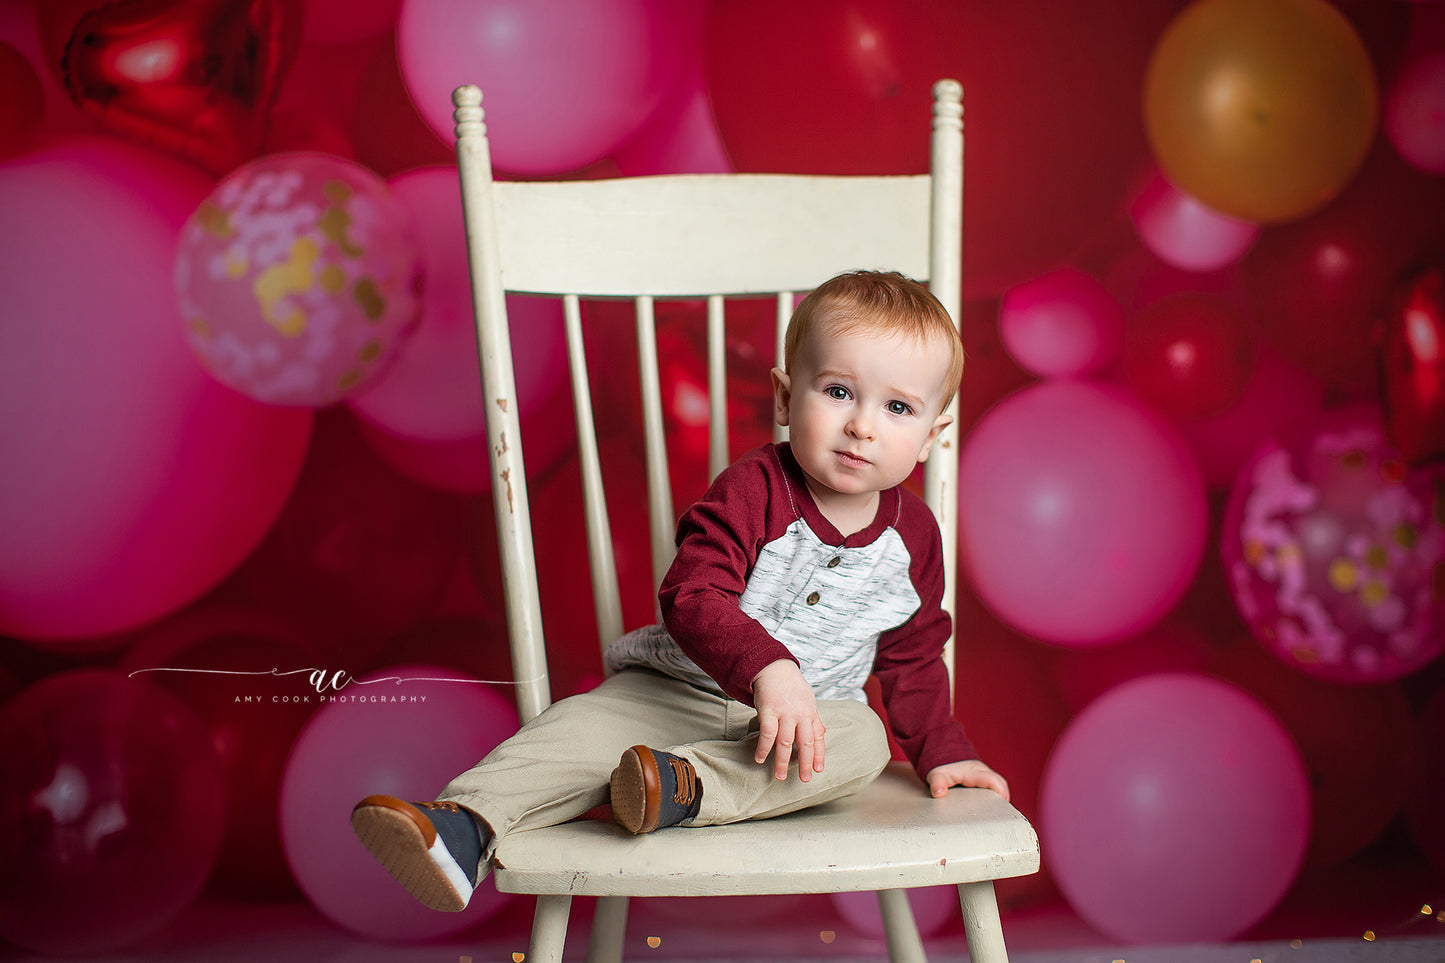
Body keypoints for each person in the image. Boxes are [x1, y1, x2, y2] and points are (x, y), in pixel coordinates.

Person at [351, 269, 1009, 913]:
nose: (862, 425)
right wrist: (768, 665)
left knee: (861, 741)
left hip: (799, 728)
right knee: (576, 727)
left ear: (931, 436)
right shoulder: (752, 488)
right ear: (785, 398)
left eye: (896, 407)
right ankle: (463, 826)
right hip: (674, 692)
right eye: (838, 391)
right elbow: (693, 594)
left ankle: (682, 787)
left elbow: (912, 654)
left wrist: (942, 751)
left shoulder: (912, 538)